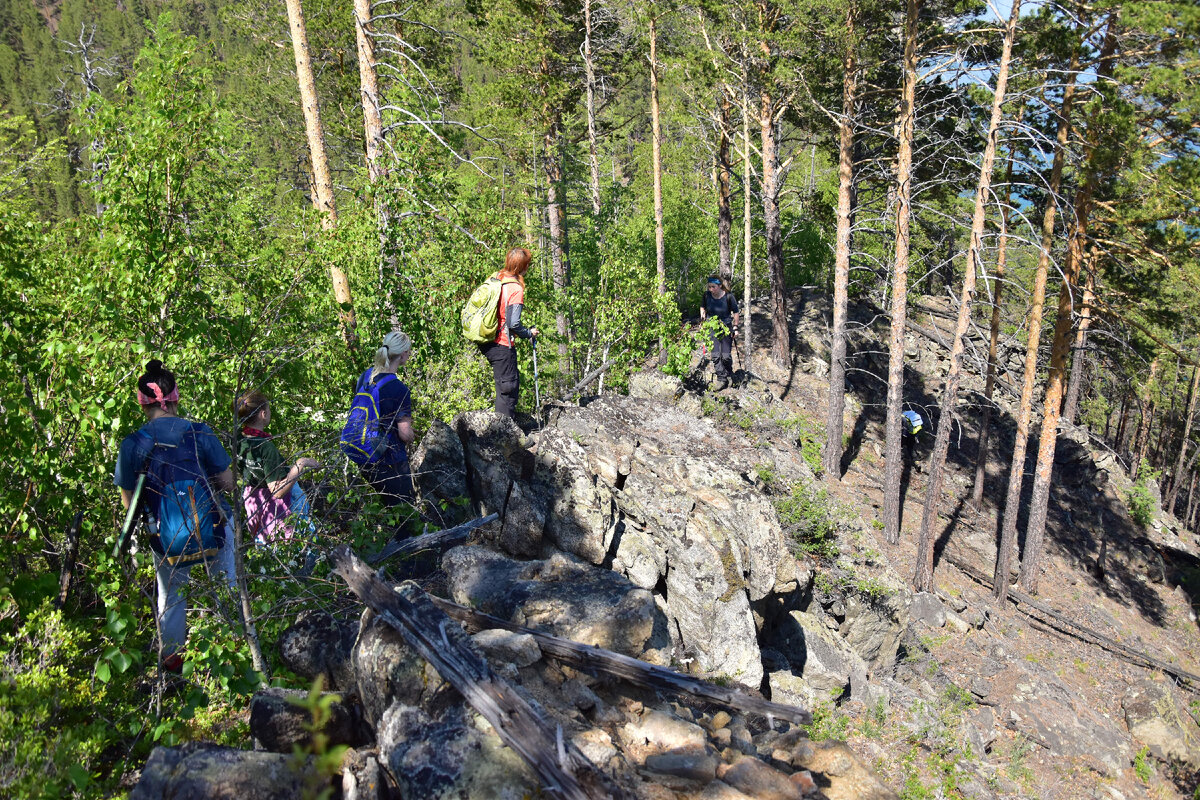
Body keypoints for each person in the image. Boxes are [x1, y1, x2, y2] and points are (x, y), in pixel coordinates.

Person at [113, 360, 235, 673]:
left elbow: (129, 504)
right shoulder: (199, 432)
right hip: (214, 526)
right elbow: (227, 482)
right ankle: (233, 661)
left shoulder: (132, 445)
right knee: (227, 590)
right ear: (176, 397)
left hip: (166, 539)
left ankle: (173, 666)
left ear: (142, 402)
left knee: (172, 598)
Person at [234, 390, 320, 544]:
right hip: (276, 510)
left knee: (266, 553)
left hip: (254, 503)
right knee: (298, 548)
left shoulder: (238, 440)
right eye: (269, 410)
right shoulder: (266, 448)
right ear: (263, 414)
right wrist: (300, 464)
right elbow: (277, 492)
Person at [352, 330, 416, 505]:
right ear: (403, 354)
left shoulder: (365, 377)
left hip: (365, 457)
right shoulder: (399, 389)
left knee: (387, 510)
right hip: (391, 460)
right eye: (409, 351)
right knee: (404, 513)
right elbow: (404, 434)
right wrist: (413, 435)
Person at [478, 247, 539, 418]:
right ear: (522, 267)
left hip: (487, 339)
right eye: (528, 264)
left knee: (502, 386)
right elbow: (514, 323)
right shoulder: (515, 289)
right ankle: (505, 436)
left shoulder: (496, 277)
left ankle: (504, 431)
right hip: (502, 342)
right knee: (508, 389)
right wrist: (529, 333)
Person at [700, 275, 740, 389]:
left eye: (713, 287)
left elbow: (736, 312)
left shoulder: (729, 297)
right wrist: (703, 321)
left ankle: (729, 373)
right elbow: (702, 307)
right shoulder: (706, 296)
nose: (711, 289)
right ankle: (721, 379)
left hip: (726, 327)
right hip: (711, 327)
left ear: (720, 286)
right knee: (715, 355)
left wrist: (735, 327)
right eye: (709, 287)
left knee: (726, 356)